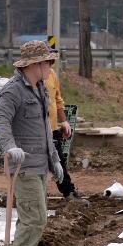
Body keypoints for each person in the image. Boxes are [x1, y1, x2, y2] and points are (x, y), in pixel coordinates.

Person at [0, 41, 64, 246]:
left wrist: (54, 160)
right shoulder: (14, 91)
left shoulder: (40, 89)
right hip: (24, 168)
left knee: (29, 218)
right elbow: (1, 121)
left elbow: (45, 129)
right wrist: (10, 148)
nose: (50, 67)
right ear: (35, 64)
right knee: (36, 219)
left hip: (40, 165)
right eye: (48, 63)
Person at [44, 64, 81, 200]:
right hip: (36, 131)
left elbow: (57, 100)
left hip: (52, 130)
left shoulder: (52, 74)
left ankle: (68, 192)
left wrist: (64, 121)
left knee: (59, 162)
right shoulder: (31, 78)